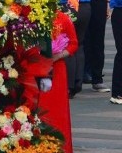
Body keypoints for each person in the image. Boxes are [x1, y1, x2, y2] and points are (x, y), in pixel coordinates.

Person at [38, 10, 77, 153]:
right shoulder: (32, 18)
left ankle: (61, 147)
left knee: (57, 110)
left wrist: (57, 55)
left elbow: (73, 44)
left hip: (57, 70)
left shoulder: (63, 18)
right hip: (37, 68)